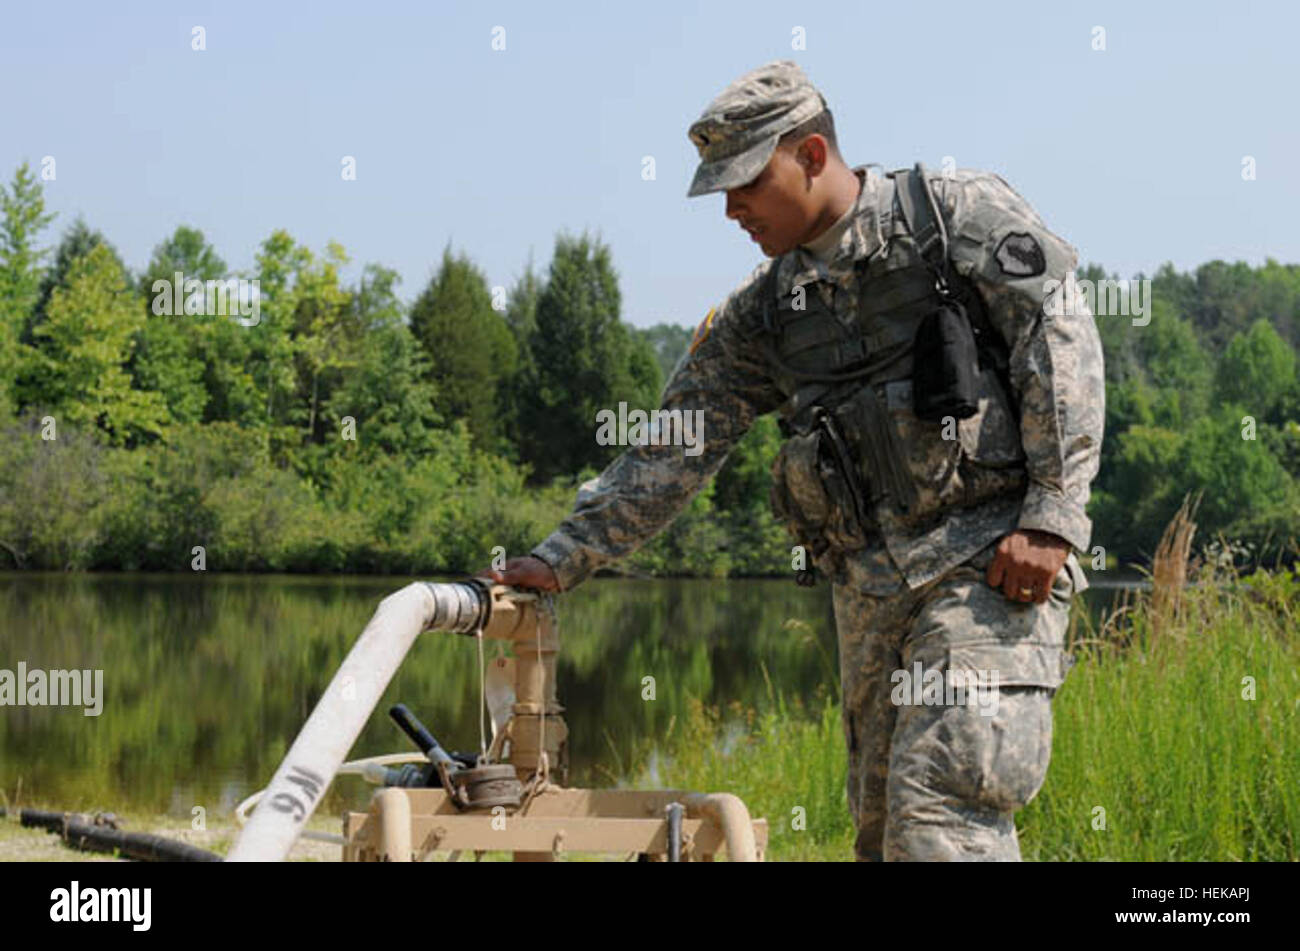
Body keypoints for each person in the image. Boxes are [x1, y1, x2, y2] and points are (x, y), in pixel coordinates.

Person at [481, 60, 1104, 861]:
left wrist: (1053, 514)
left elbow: (1059, 337)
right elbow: (675, 444)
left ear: (811, 154)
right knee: (882, 833)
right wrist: (562, 556)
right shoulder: (765, 315)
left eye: (744, 182)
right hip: (869, 596)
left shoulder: (955, 218)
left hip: (989, 564)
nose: (732, 207)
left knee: (941, 813)